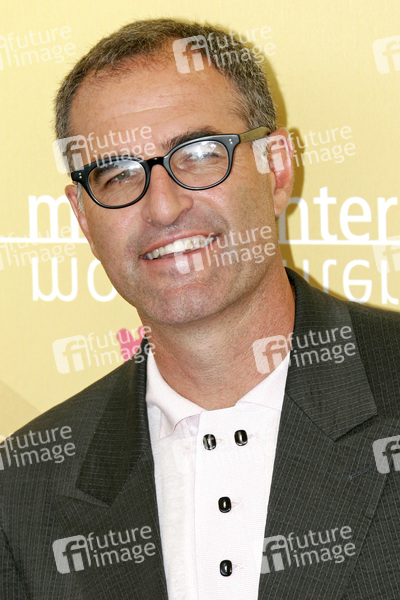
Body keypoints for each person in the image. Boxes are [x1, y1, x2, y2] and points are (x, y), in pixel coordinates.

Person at [1, 18, 400, 600]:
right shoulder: (23, 492)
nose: (163, 207)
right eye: (117, 174)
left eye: (199, 153)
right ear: (84, 218)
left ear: (277, 169)